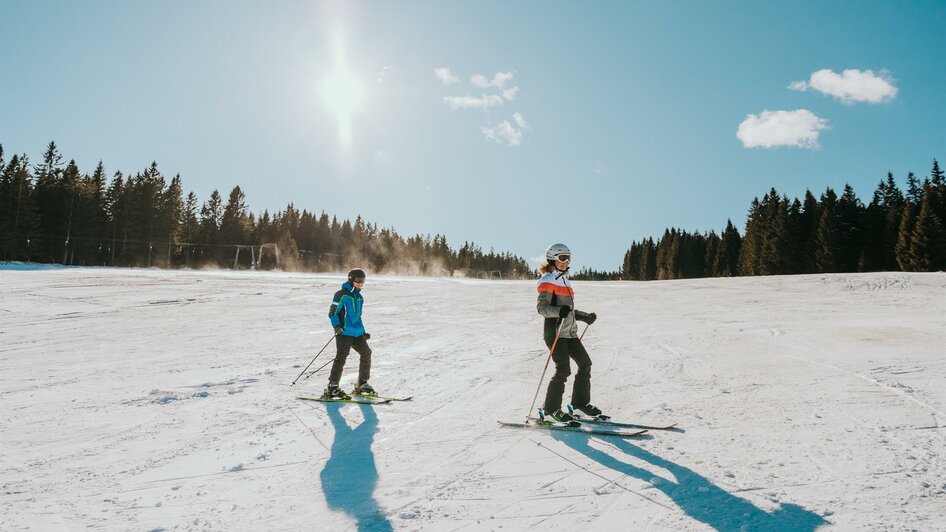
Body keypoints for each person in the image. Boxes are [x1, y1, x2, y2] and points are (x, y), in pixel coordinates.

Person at [536, 243, 600, 422]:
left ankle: (579, 405)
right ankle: (550, 409)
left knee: (585, 363)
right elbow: (542, 308)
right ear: (552, 259)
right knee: (563, 369)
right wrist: (559, 312)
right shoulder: (548, 279)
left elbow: (567, 310)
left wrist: (584, 316)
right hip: (554, 332)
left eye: (568, 258)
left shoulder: (565, 279)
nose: (566, 261)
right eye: (562, 258)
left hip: (569, 333)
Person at [322, 268, 376, 400]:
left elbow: (358, 317)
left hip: (357, 333)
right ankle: (332, 387)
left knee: (366, 353)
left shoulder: (359, 297)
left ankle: (362, 384)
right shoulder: (341, 294)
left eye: (362, 281)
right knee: (341, 357)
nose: (360, 283)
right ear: (351, 280)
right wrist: (337, 326)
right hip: (344, 332)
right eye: (358, 281)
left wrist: (363, 333)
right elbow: (333, 313)